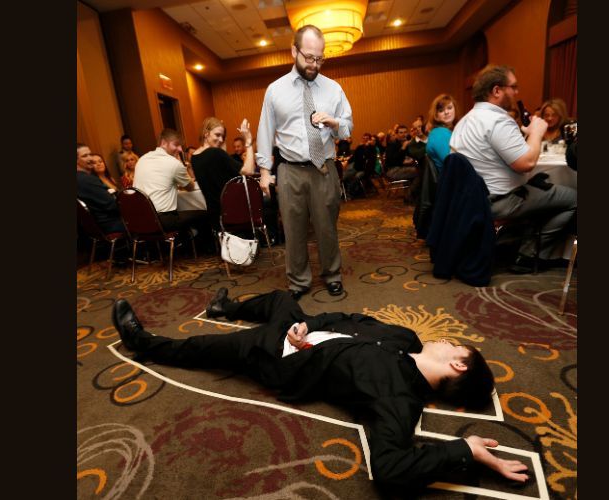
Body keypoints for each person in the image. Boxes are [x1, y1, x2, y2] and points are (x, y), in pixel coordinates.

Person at [111, 290, 529, 494]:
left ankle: (142, 342)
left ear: (458, 364)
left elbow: (390, 468)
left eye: (458, 346)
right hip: (301, 333)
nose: (450, 340)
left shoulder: (399, 397)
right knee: (282, 298)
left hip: (281, 360)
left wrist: (465, 450)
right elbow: (348, 316)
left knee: (205, 349)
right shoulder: (407, 335)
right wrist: (307, 325)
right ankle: (228, 308)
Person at [255, 25, 353, 300]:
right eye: (309, 57)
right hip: (289, 170)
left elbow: (347, 128)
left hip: (323, 169)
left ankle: (332, 275)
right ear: (294, 51)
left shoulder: (333, 88)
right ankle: (298, 281)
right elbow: (265, 131)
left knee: (327, 228)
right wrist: (264, 171)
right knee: (294, 230)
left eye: (319, 58)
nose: (314, 64)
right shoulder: (275, 90)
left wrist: (335, 122)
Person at [449, 65, 577, 274]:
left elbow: (504, 158)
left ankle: (521, 242)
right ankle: (529, 254)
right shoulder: (498, 120)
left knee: (543, 187)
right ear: (497, 90)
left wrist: (527, 136)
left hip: (471, 199)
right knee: (574, 198)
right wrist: (536, 132)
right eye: (513, 87)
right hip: (502, 200)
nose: (517, 92)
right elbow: (526, 164)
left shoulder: (466, 120)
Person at [132, 128, 207, 236]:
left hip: (140, 219)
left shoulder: (142, 159)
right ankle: (200, 247)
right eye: (176, 145)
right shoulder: (173, 163)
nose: (180, 149)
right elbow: (190, 187)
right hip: (163, 220)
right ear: (163, 143)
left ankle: (185, 238)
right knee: (204, 214)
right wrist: (180, 164)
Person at [192, 117, 256, 230]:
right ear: (206, 134)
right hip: (234, 212)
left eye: (223, 136)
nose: (221, 139)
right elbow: (249, 170)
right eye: (217, 135)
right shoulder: (216, 153)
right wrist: (249, 142)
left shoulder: (194, 157)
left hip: (215, 215)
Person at [76, 143, 124, 234]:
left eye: (90, 154)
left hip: (94, 228)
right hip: (110, 224)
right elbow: (112, 206)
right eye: (85, 156)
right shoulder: (87, 180)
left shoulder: (80, 178)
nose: (90, 158)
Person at [426, 93, 459, 177]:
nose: (446, 112)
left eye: (449, 108)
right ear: (436, 115)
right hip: (453, 184)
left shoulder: (445, 131)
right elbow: (454, 165)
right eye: (441, 110)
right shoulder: (439, 133)